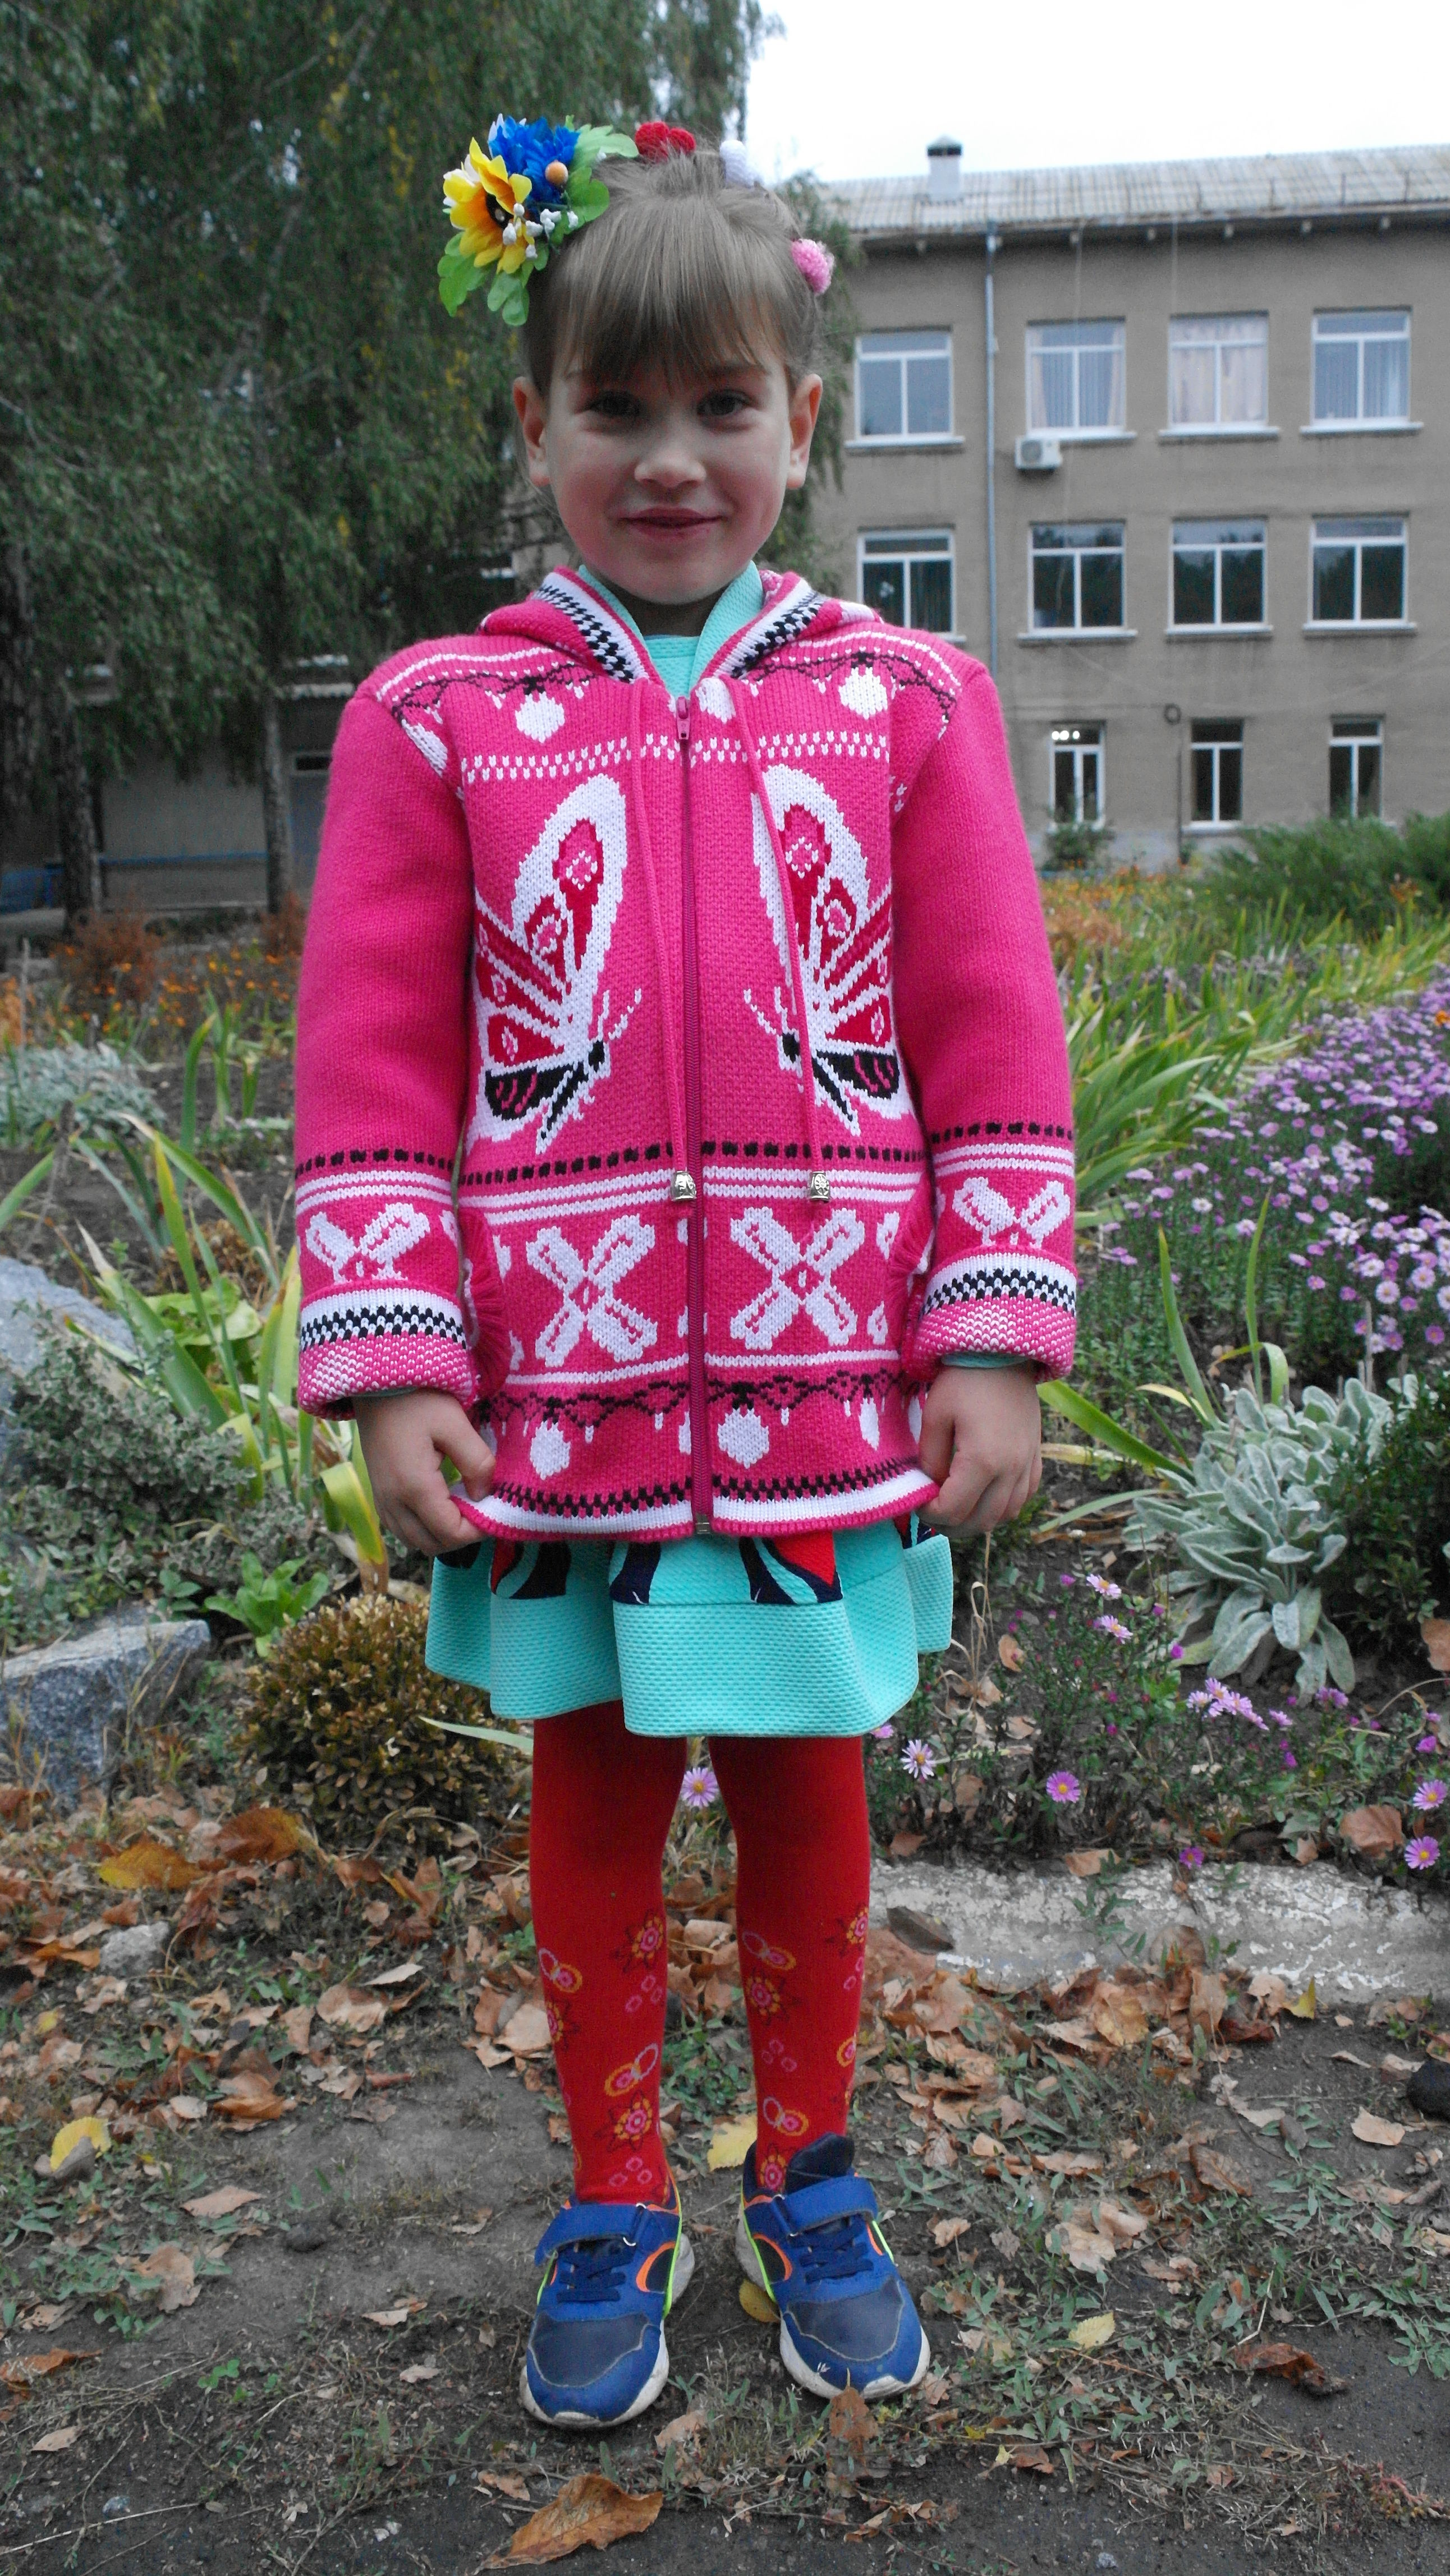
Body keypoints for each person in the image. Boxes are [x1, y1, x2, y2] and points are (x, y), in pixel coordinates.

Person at [293, 115, 1076, 2432]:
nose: (668, 458)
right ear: (530, 422)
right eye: (614, 408)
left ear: (799, 425)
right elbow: (368, 1063)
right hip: (569, 1407)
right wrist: (395, 1357)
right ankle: (614, 2192)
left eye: (721, 405)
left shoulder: (909, 707)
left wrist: (993, 1335)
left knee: (810, 1800)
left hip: (832, 1396)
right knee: (598, 1809)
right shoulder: (435, 721)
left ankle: (812, 2176)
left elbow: (991, 1032)